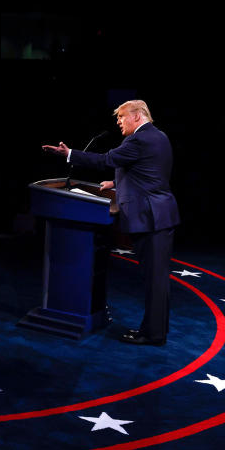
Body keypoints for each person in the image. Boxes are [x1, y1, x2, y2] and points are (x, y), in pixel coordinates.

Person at [42, 100, 179, 346]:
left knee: (155, 281)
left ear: (137, 116)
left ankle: (153, 334)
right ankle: (154, 330)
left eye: (122, 117)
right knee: (155, 280)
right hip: (159, 215)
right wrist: (116, 184)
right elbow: (149, 172)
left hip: (151, 218)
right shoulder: (159, 137)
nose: (118, 122)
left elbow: (106, 160)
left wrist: (69, 154)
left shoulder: (138, 140)